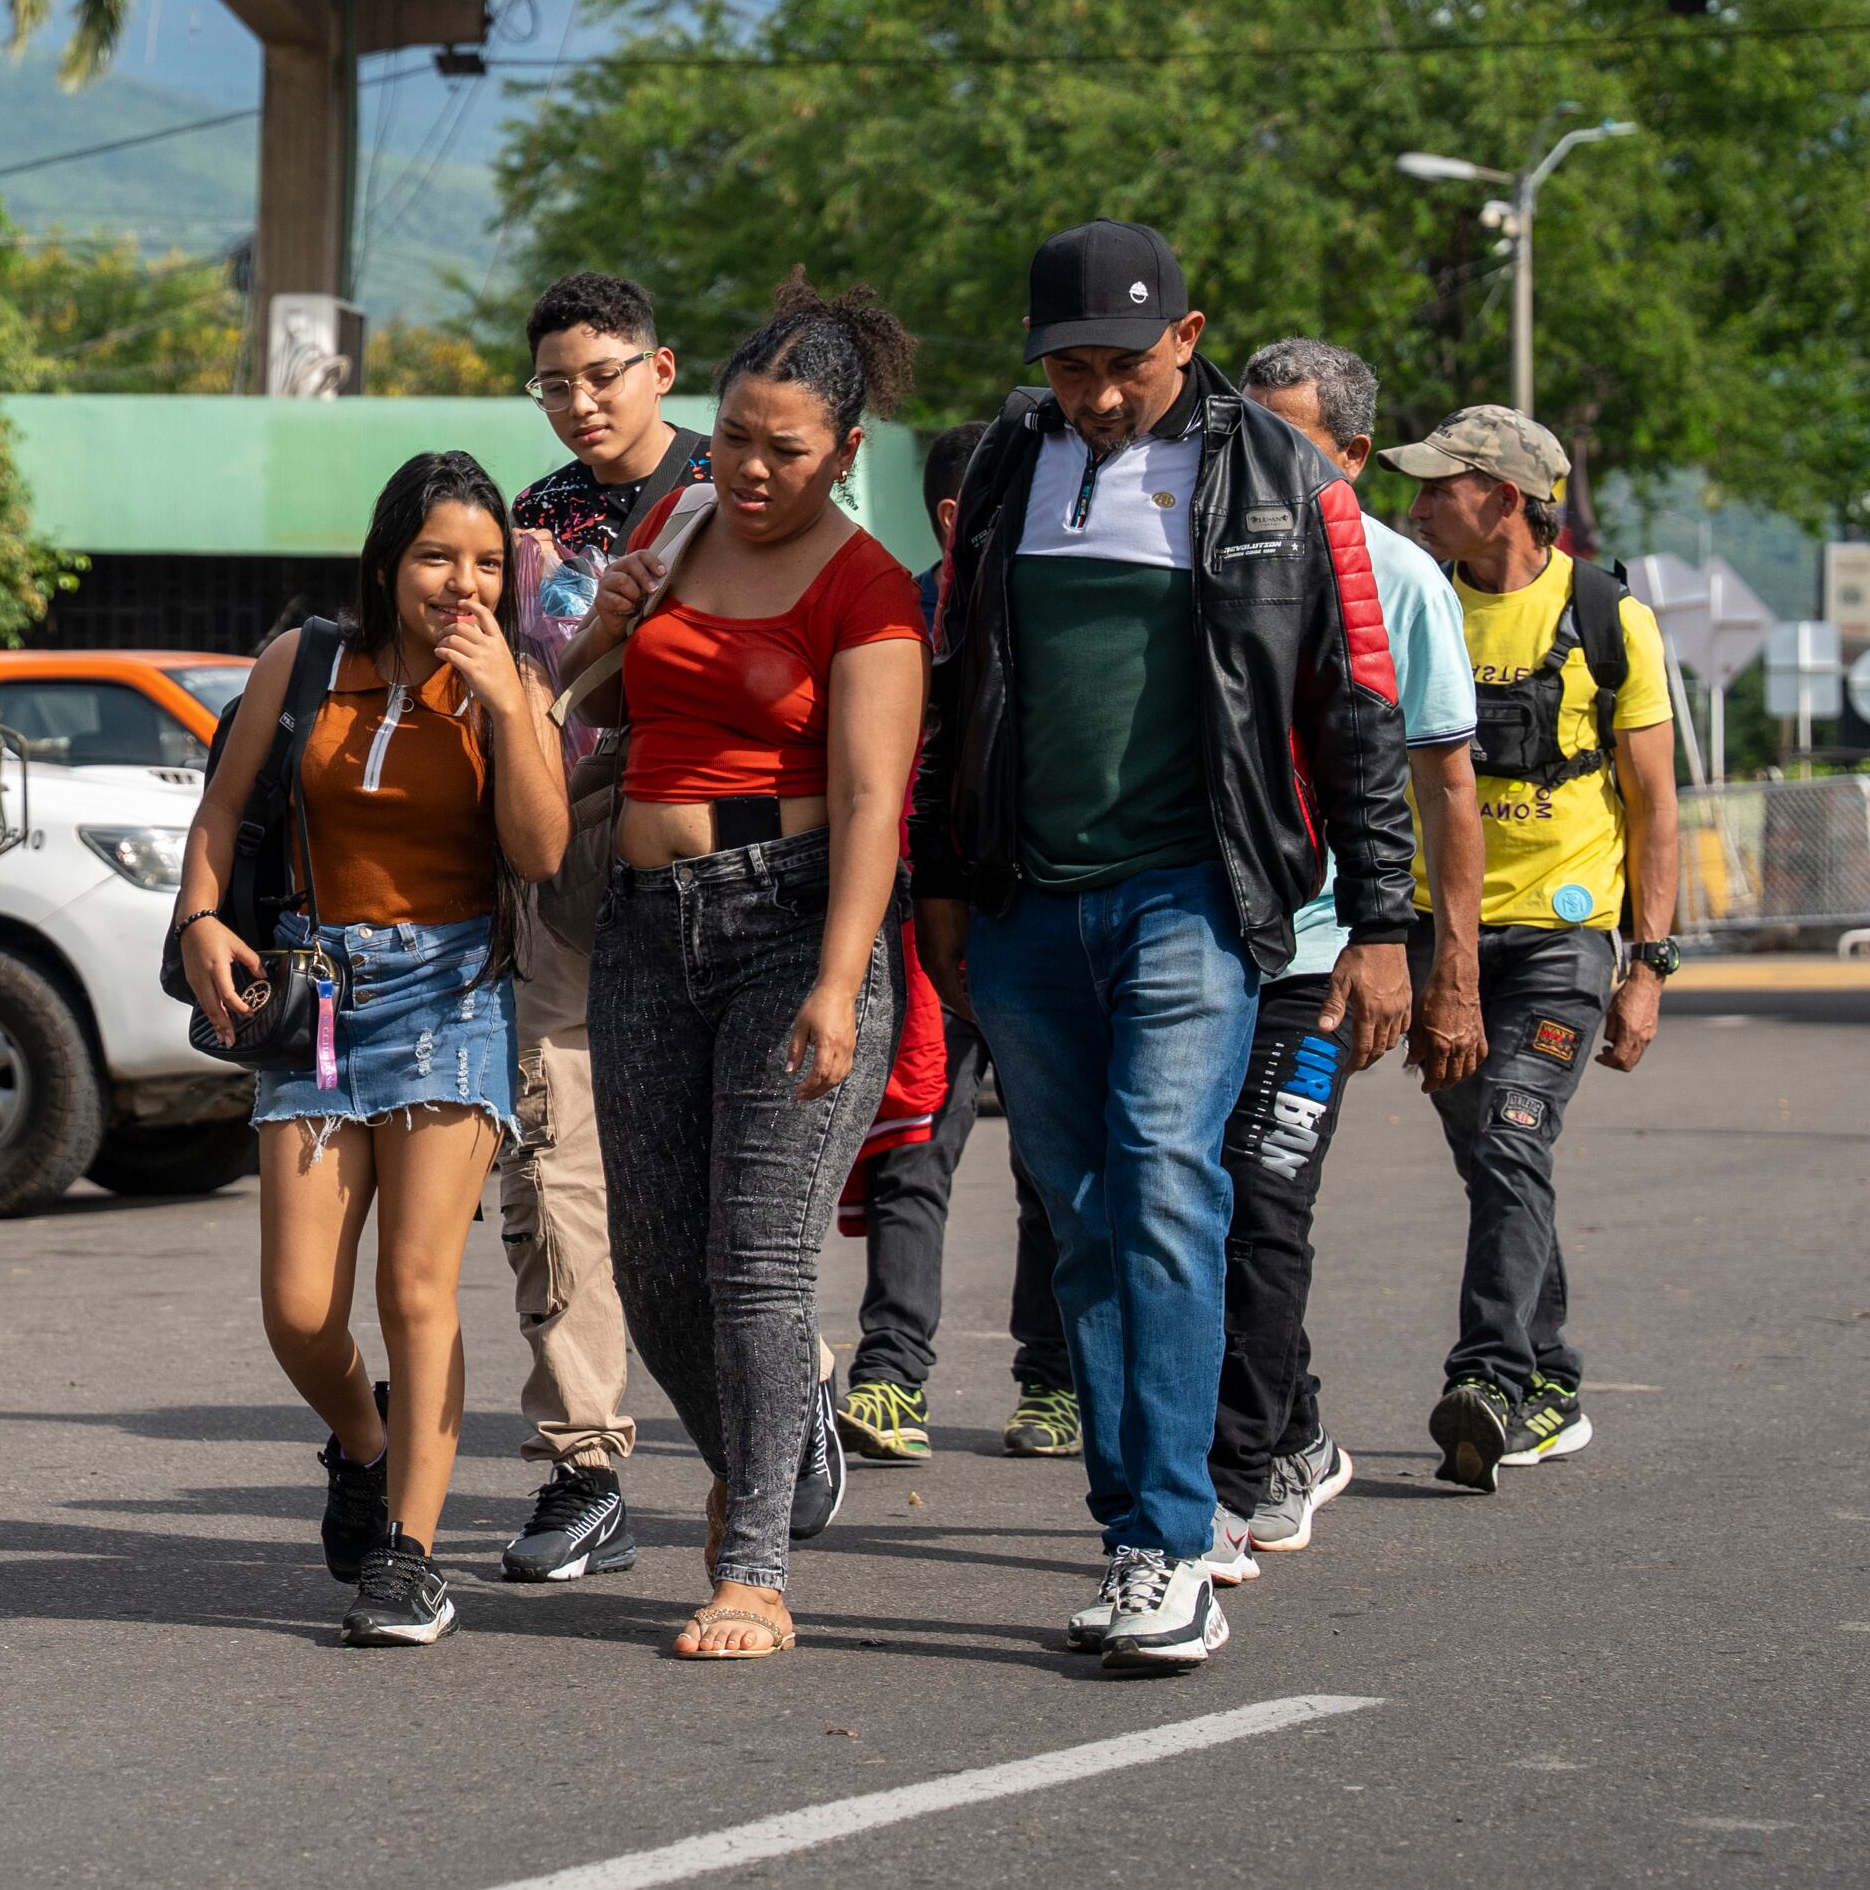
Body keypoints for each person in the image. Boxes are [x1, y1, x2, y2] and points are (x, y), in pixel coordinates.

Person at [914, 219, 1415, 1675]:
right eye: (1068, 365)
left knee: (1166, 1183)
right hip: (1024, 904)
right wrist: (945, 876)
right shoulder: (1009, 463)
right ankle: (1137, 1522)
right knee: (1080, 1216)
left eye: (1121, 361)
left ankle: (1174, 1541)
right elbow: (957, 678)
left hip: (1193, 894)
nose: (1095, 391)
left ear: (1187, 336)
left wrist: (1386, 921)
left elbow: (1357, 710)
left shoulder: (1282, 477)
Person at [554, 282, 928, 1659]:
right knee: (654, 1270)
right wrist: (608, 617)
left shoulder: (866, 586)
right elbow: (588, 700)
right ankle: (787, 1440)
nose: (752, 470)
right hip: (648, 924)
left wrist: (839, 983)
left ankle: (753, 1560)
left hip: (795, 924)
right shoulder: (680, 521)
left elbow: (878, 802)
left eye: (785, 447)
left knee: (756, 1268)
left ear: (842, 448)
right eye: (733, 438)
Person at [172, 451, 568, 1647]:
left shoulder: (515, 685)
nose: (464, 584)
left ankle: (412, 1555)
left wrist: (504, 702)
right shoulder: (303, 662)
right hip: (316, 995)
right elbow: (222, 810)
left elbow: (542, 857)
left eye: (489, 562)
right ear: (389, 563)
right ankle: (364, 1440)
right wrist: (198, 917)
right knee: (298, 1312)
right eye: (439, 558)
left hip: (450, 997)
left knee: (415, 1289)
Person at [1218, 341, 1484, 1560]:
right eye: (1243, 429)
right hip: (1201, 948)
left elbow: (1441, 793)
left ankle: (1247, 1470)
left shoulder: (1399, 578)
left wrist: (1440, 966)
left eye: (1287, 436)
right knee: (1192, 1206)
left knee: (1265, 1200)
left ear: (1353, 455)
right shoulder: (1204, 551)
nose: (1254, 456)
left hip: (1323, 960)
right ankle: (1298, 1431)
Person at [1385, 404, 1678, 1490]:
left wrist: (1649, 968)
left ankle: (1490, 1380)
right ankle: (1552, 1377)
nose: (1414, 506)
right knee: (1497, 1161)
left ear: (1504, 498)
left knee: (1510, 1136)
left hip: (1563, 943)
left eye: (1436, 488)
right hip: (1437, 939)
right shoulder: (1419, 605)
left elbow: (1655, 807)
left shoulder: (1609, 619)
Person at [495, 271, 708, 1581]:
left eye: (603, 373)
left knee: (709, 1166)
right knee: (551, 1162)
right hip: (561, 856)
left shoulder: (741, 491)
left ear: (662, 367)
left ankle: (775, 1389)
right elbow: (513, 691)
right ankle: (584, 1464)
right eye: (555, 382)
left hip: (710, 856)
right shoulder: (532, 520)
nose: (580, 401)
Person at [835, 419, 1082, 1466]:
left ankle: (1053, 1382)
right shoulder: (897, 617)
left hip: (1041, 929)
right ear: (953, 516)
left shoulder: (1070, 608)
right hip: (926, 926)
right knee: (911, 1150)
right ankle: (890, 1377)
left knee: (1050, 1161)